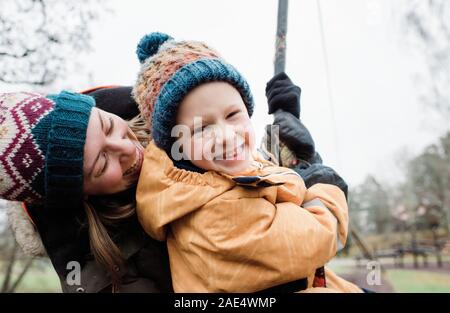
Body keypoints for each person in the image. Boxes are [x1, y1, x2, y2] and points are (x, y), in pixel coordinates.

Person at [132, 32, 361, 292]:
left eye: (233, 114)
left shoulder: (217, 173)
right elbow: (316, 238)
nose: (227, 136)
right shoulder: (209, 213)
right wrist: (323, 185)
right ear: (176, 147)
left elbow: (269, 175)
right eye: (201, 128)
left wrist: (287, 118)